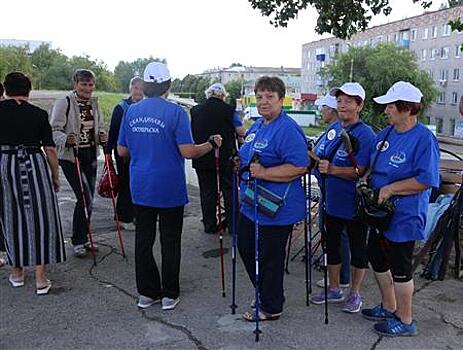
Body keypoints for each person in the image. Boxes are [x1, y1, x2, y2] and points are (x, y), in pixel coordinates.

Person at [117, 62, 222, 311]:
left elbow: (122, 150)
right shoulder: (176, 113)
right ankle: (168, 294)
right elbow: (188, 151)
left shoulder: (130, 111)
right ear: (168, 84)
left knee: (143, 240)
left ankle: (146, 293)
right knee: (170, 240)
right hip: (169, 187)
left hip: (141, 185)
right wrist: (210, 144)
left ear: (144, 85)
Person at [362, 81, 439, 336]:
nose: (386, 111)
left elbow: (426, 179)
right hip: (380, 212)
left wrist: (390, 189)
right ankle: (388, 305)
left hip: (405, 215)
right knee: (376, 256)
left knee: (400, 266)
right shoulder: (386, 133)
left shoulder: (424, 138)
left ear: (407, 109)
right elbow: (374, 166)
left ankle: (406, 320)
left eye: (391, 106)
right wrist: (366, 180)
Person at [237, 76, 308, 321]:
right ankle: (263, 291)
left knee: (269, 257)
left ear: (281, 99)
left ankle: (271, 305)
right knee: (245, 246)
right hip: (251, 202)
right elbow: (249, 153)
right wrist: (239, 162)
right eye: (259, 97)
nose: (263, 102)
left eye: (269, 97)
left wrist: (266, 172)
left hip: (278, 207)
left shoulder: (287, 129)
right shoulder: (259, 125)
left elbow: (300, 166)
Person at [310, 82, 375, 313]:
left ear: (359, 105)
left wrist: (334, 171)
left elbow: (363, 171)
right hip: (331, 203)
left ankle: (355, 294)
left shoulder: (366, 134)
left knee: (358, 250)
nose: (343, 105)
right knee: (332, 247)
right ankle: (334, 288)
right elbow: (323, 156)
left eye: (349, 101)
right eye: (340, 101)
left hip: (354, 205)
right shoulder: (335, 129)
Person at [0, 71, 66, 294]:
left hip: (4, 166)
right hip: (34, 166)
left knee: (10, 217)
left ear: (5, 89)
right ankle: (40, 278)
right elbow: (49, 149)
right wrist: (55, 176)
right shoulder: (38, 114)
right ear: (28, 90)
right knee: (41, 218)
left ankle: (18, 273)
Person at [50, 69, 107, 257]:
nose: (87, 88)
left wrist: (101, 136)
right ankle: (78, 241)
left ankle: (84, 237)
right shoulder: (65, 102)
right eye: (83, 84)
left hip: (90, 153)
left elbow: (97, 126)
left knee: (89, 198)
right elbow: (54, 129)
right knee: (84, 197)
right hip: (70, 156)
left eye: (90, 85)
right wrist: (66, 139)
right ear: (75, 84)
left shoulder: (94, 102)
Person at [190, 83, 245, 234]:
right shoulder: (229, 110)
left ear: (208, 94)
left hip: (201, 156)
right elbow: (240, 131)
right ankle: (233, 226)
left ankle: (209, 224)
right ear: (222, 95)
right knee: (229, 191)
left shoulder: (195, 110)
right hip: (225, 157)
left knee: (207, 192)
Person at [312, 94, 350, 289]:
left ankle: (341, 277)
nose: (321, 112)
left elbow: (323, 157)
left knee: (335, 234)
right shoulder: (331, 129)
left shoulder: (337, 130)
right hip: (328, 189)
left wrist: (311, 154)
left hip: (335, 190)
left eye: (324, 108)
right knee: (331, 231)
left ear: (331, 110)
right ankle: (339, 275)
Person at [106, 76, 144, 230]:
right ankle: (123, 217)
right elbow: (113, 131)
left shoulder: (145, 107)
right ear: (130, 89)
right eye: (136, 88)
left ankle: (135, 214)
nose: (139, 92)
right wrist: (108, 152)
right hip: (124, 153)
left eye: (141, 89)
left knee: (137, 184)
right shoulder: (121, 107)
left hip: (141, 153)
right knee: (126, 184)